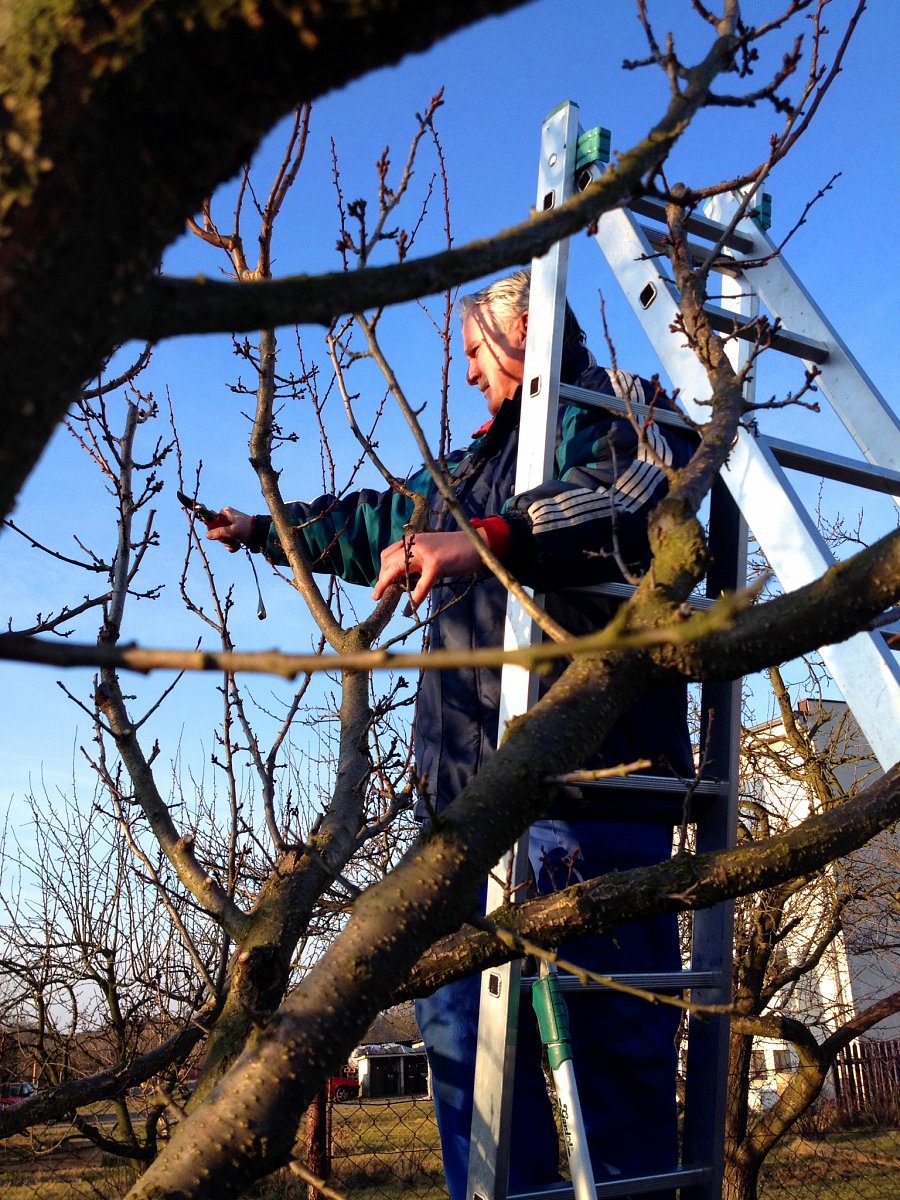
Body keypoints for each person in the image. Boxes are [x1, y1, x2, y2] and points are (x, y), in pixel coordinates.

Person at [208, 270, 696, 1197]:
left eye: (478, 351)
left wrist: (495, 536)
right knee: (463, 1042)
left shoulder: (619, 410)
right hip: (462, 811)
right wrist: (268, 529)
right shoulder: (465, 472)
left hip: (586, 790)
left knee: (612, 1044)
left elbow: (643, 490)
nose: (470, 373)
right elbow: (367, 524)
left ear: (531, 335)